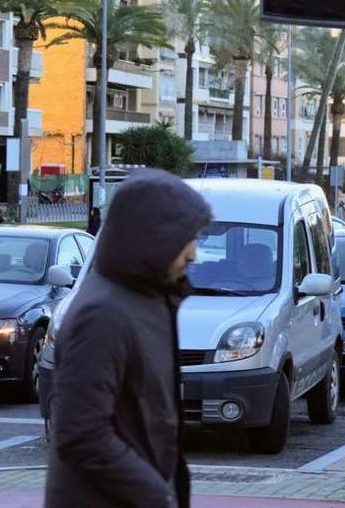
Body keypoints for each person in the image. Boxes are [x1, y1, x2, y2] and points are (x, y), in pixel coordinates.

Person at [45, 169, 211, 508]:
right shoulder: (103, 314)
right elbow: (81, 433)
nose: (194, 252)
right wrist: (155, 494)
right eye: (187, 238)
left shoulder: (145, 297)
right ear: (155, 236)